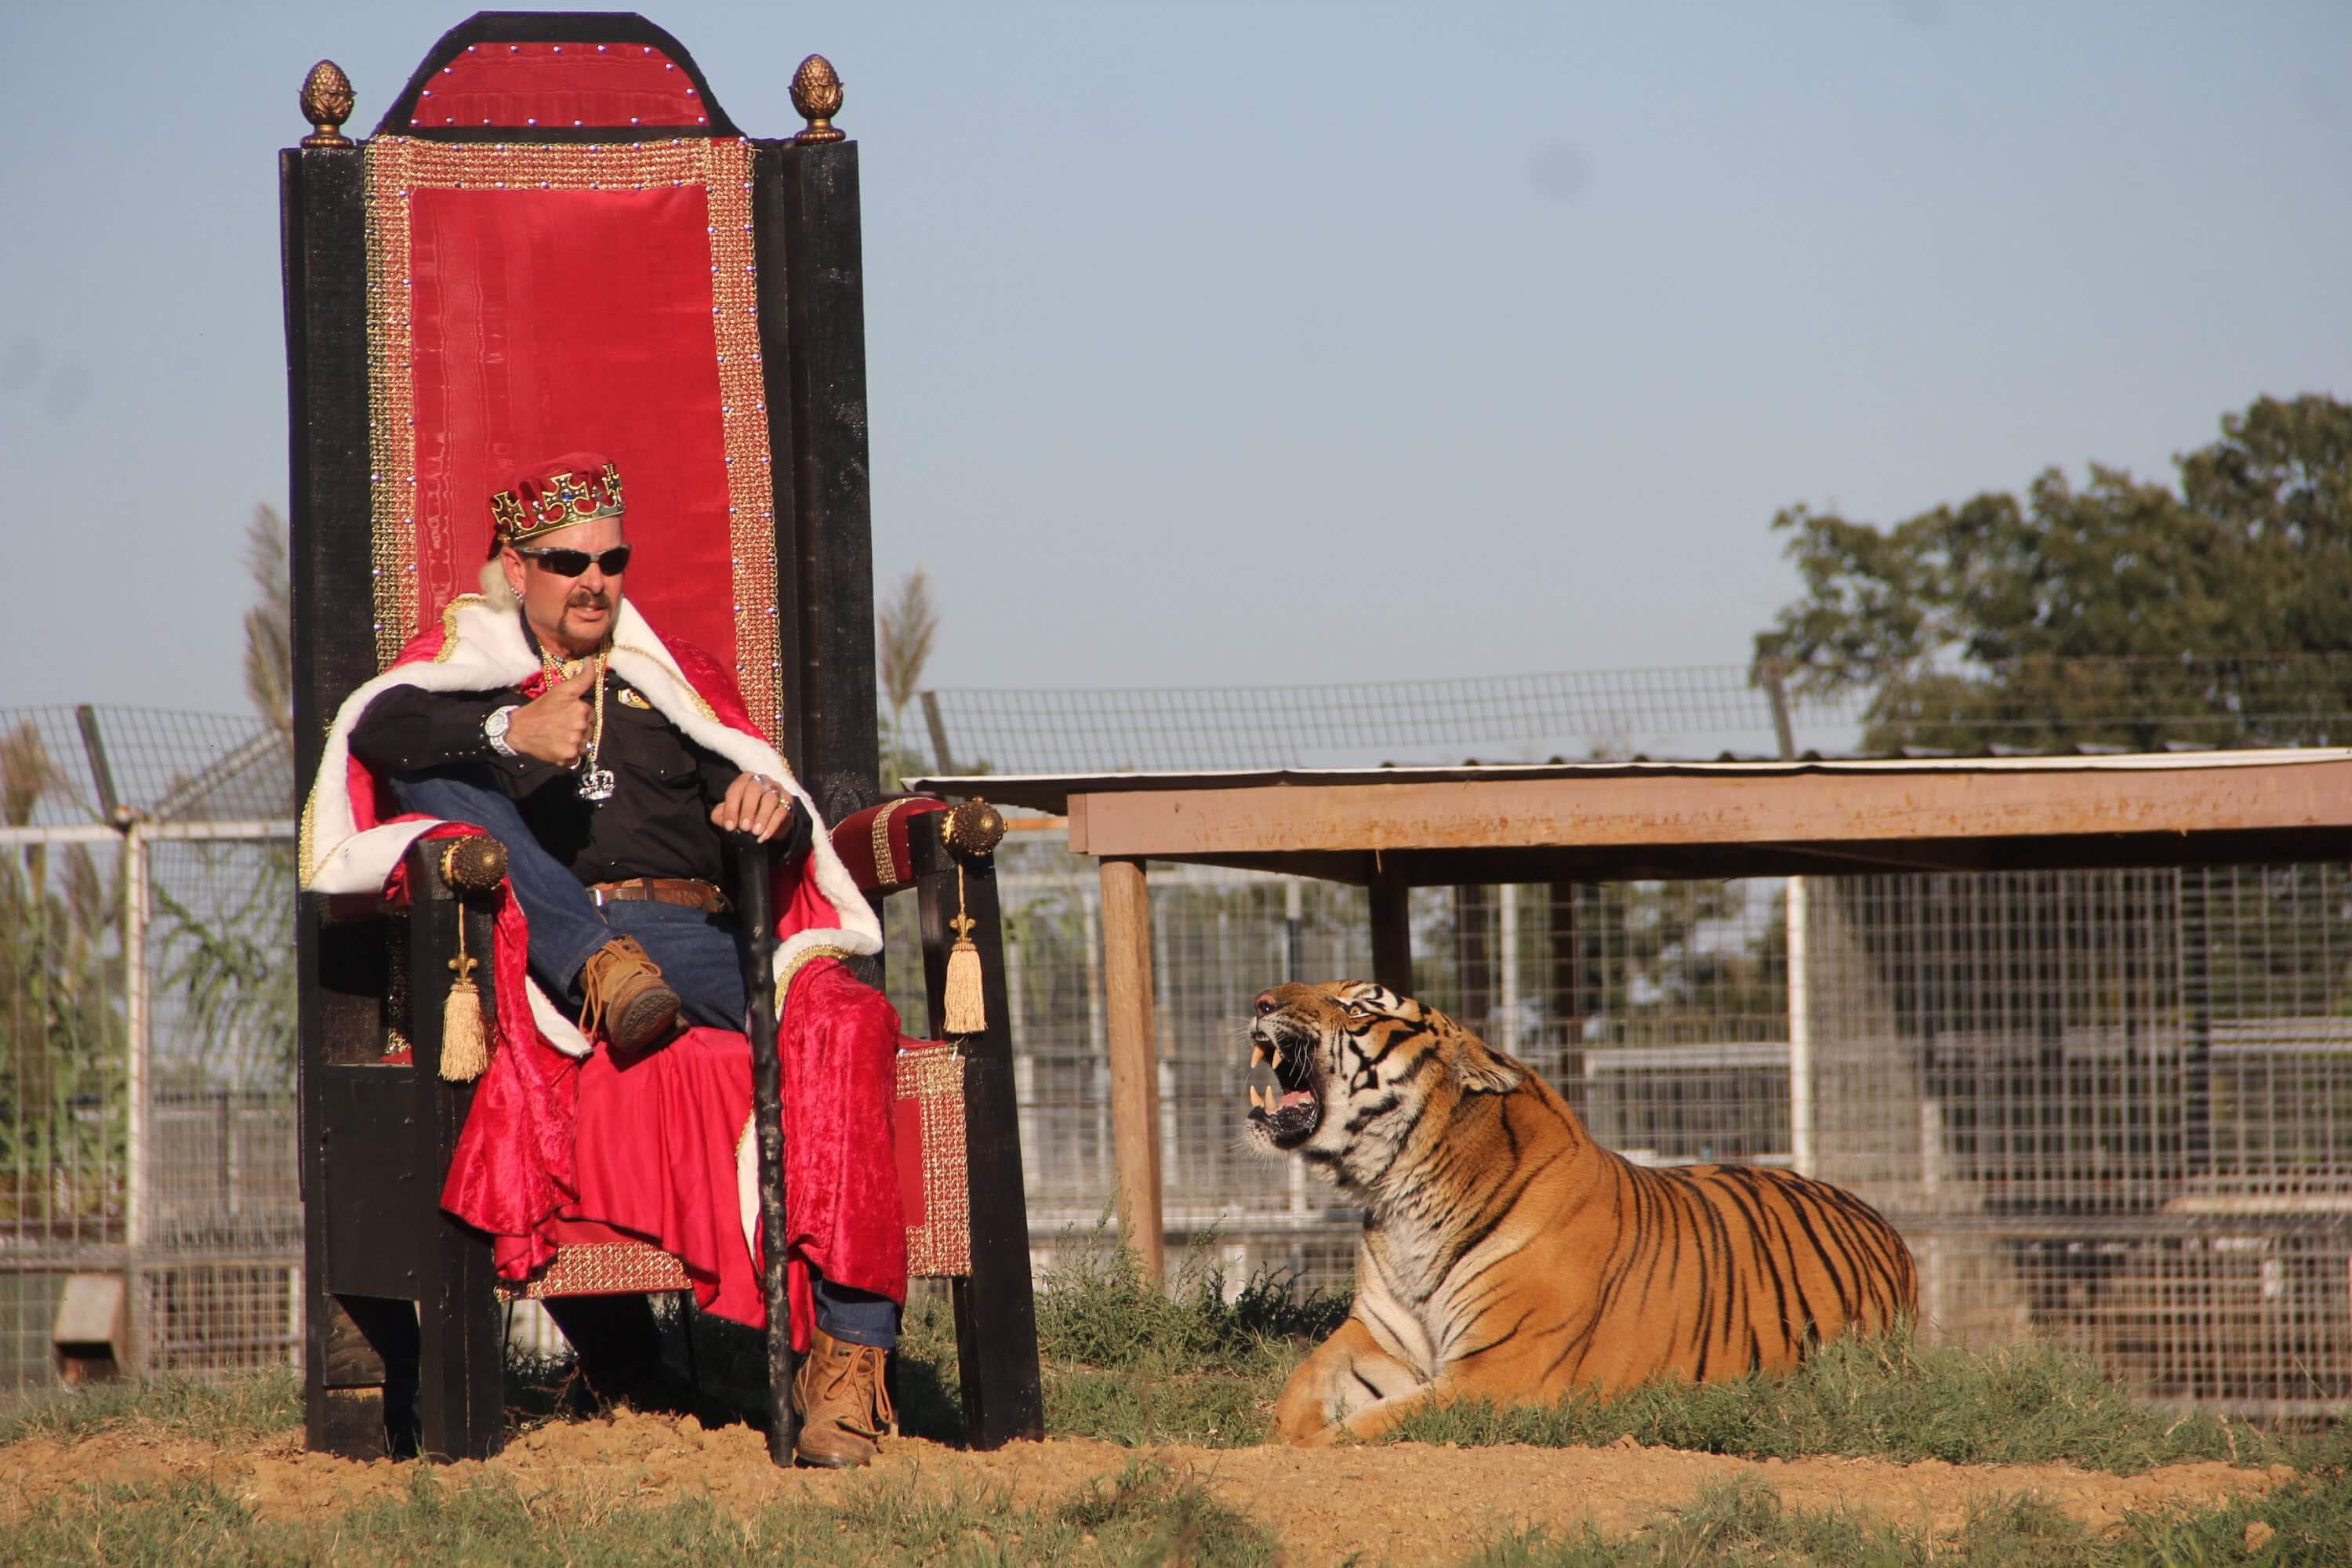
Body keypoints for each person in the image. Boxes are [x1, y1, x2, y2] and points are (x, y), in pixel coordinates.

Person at [318, 452, 901, 1468]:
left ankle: (850, 1359)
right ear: (517, 568)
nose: (593, 581)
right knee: (439, 777)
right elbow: (375, 730)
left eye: (611, 561)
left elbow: (774, 810)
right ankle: (598, 967)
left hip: (699, 939)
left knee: (852, 1018)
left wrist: (769, 816)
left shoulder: (672, 679)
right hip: (540, 954)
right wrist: (509, 729)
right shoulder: (468, 675)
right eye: (567, 562)